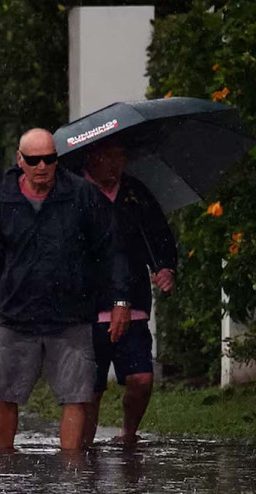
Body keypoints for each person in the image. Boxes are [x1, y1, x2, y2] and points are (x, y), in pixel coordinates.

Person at [0, 128, 131, 451]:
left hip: (71, 317)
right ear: (20, 161)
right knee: (3, 391)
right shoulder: (3, 201)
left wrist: (120, 299)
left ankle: (71, 466)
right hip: (17, 316)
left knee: (77, 394)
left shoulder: (81, 195)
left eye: (50, 159)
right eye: (35, 160)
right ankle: (4, 460)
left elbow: (112, 249)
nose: (43, 166)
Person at [81, 138, 177, 446]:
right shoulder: (74, 194)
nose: (116, 164)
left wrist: (165, 267)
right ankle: (82, 448)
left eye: (121, 156)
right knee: (90, 388)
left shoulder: (135, 193)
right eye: (109, 157)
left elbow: (159, 235)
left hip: (134, 300)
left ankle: (128, 434)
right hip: (88, 305)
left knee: (141, 379)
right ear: (92, 159)